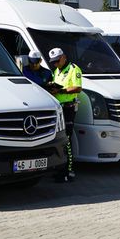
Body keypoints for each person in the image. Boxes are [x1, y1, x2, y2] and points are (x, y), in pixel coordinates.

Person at [48, 47, 82, 182]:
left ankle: (69, 171)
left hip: (69, 108)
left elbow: (78, 87)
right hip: (58, 109)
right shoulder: (56, 71)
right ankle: (59, 168)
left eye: (57, 61)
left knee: (67, 139)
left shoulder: (74, 69)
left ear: (64, 57)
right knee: (58, 139)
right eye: (53, 62)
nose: (55, 64)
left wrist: (60, 90)